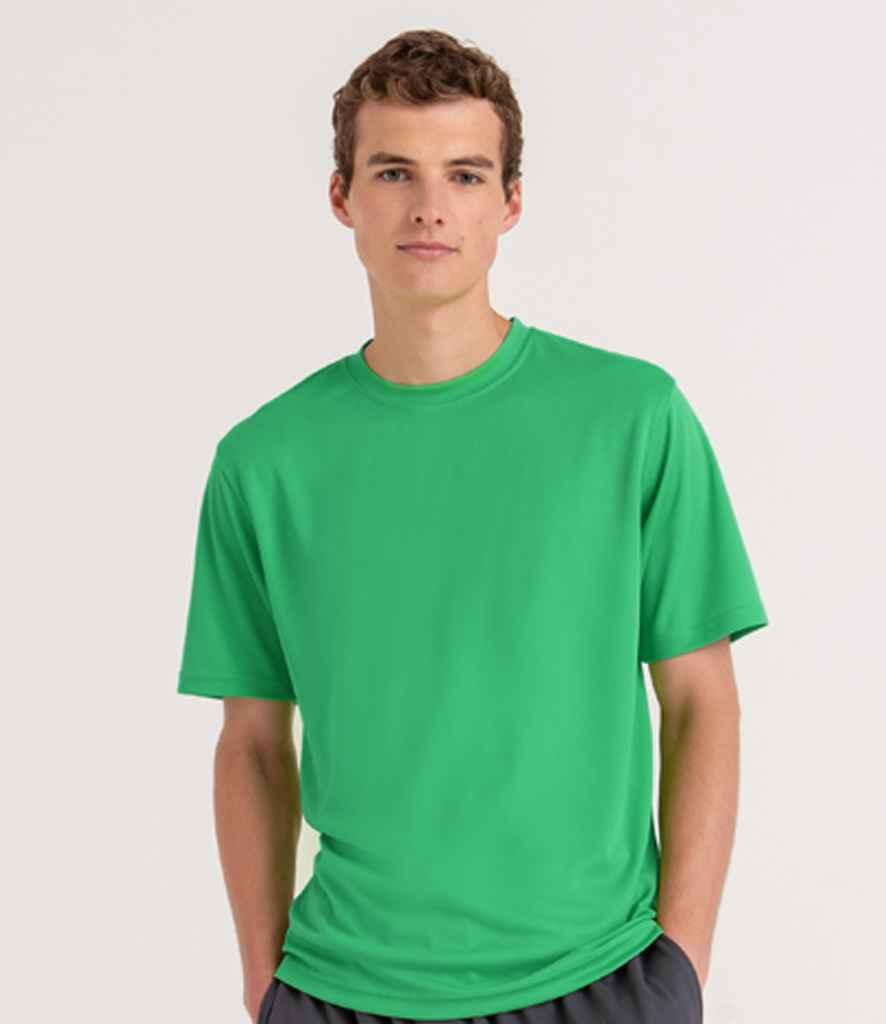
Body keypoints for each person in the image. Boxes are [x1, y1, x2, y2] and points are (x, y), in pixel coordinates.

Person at [177, 28, 768, 1024]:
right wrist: (262, 982)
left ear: (510, 202)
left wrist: (682, 963)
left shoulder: (631, 417)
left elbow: (702, 698)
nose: (429, 207)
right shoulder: (264, 460)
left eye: (463, 173)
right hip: (340, 986)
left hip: (599, 976)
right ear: (342, 197)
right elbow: (252, 742)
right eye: (394, 172)